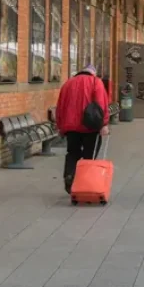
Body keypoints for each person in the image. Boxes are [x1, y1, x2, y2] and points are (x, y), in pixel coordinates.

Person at [55, 64, 110, 193]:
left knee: (72, 152)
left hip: (70, 127)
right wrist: (104, 124)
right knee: (89, 155)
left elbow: (60, 107)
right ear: (93, 73)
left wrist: (60, 126)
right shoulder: (96, 82)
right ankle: (85, 183)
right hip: (90, 126)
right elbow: (101, 104)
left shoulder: (68, 84)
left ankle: (69, 175)